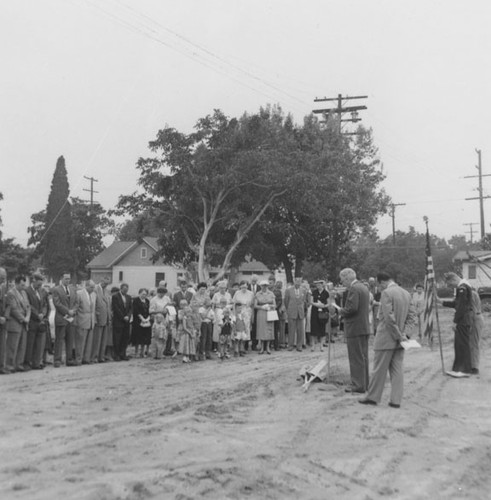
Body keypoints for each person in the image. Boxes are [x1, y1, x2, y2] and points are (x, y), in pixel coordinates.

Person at [359, 272, 416, 408]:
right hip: (400, 340)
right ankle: (396, 400)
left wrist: (398, 335)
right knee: (397, 370)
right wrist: (405, 335)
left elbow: (389, 318)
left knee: (379, 370)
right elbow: (412, 316)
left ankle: (373, 397)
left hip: (386, 339)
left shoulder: (386, 293)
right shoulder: (406, 293)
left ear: (382, 282)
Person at [339, 268, 371, 393]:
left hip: (355, 327)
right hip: (363, 327)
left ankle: (357, 385)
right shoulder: (363, 287)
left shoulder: (354, 289)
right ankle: (364, 383)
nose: (343, 284)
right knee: (363, 357)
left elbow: (352, 308)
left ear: (347, 278)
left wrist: (341, 310)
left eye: (342, 281)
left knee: (355, 358)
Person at [440, 272, 473, 374]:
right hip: (464, 319)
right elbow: (456, 304)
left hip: (463, 320)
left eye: (450, 284)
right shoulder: (464, 286)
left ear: (453, 280)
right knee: (460, 344)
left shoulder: (462, 288)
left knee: (462, 344)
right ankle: (460, 368)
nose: (451, 286)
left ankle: (464, 369)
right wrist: (441, 302)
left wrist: (455, 321)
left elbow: (461, 307)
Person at [5, 275, 31, 372]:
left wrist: (28, 317)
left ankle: (19, 364)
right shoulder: (11, 293)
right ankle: (9, 365)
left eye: (24, 285)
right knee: (12, 345)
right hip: (15, 322)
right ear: (16, 284)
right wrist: (23, 319)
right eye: (21, 285)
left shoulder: (24, 293)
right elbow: (13, 309)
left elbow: (28, 306)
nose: (23, 287)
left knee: (22, 345)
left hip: (24, 323)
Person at [52, 273, 77, 367]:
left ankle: (69, 359)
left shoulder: (72, 289)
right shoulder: (56, 289)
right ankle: (57, 360)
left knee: (70, 339)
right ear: (61, 279)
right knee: (59, 339)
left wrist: (73, 311)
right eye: (66, 279)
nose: (68, 280)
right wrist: (67, 311)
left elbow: (76, 302)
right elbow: (57, 303)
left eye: (69, 279)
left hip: (70, 319)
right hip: (61, 317)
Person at [24, 273, 48, 370]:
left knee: (39, 343)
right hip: (32, 320)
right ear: (34, 281)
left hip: (40, 321)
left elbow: (44, 304)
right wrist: (37, 314)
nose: (40, 286)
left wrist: (43, 313)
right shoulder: (27, 291)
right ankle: (27, 363)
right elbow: (28, 305)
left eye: (41, 284)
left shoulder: (41, 291)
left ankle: (36, 363)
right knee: (30, 343)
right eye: (38, 284)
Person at [284, 276, 309, 352]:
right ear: (294, 282)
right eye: (296, 281)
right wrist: (289, 309)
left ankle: (299, 345)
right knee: (291, 330)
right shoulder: (288, 290)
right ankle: (290, 345)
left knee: (300, 330)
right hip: (292, 312)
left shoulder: (303, 290)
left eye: (299, 282)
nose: (298, 283)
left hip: (300, 313)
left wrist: (304, 311)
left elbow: (304, 301)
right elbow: (286, 301)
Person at [74, 280, 96, 365]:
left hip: (91, 320)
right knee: (80, 342)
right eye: (91, 287)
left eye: (94, 287)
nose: (93, 289)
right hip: (82, 319)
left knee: (89, 341)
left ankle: (86, 359)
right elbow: (76, 307)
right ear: (86, 286)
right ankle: (78, 359)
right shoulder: (79, 293)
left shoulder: (94, 295)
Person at [254, 279, 276, 355]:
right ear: (260, 286)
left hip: (269, 312)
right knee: (261, 330)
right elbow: (255, 305)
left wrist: (269, 306)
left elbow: (274, 304)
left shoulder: (271, 293)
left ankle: (268, 347)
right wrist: (262, 307)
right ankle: (262, 347)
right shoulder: (258, 294)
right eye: (263, 286)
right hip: (261, 312)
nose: (264, 287)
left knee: (269, 329)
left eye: (266, 285)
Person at [92, 277, 111, 363]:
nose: (105, 285)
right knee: (97, 339)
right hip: (99, 317)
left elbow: (108, 304)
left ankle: (101, 356)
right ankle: (94, 357)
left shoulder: (107, 291)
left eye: (107, 284)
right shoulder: (95, 289)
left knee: (103, 339)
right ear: (101, 281)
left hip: (106, 317)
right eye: (104, 283)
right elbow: (93, 303)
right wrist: (96, 315)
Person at [112, 283, 132, 361]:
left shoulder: (129, 297)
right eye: (124, 290)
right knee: (117, 338)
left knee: (125, 338)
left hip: (126, 321)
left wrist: (128, 316)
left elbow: (130, 308)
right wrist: (123, 317)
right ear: (121, 289)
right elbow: (116, 308)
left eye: (127, 290)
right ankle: (116, 355)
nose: (125, 291)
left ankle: (123, 354)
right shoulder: (115, 297)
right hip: (118, 321)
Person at [232, 281, 254, 350]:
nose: (244, 288)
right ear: (240, 287)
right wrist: (234, 313)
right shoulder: (237, 293)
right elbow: (234, 303)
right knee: (238, 328)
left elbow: (252, 305)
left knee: (246, 329)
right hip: (239, 311)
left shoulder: (251, 293)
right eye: (242, 287)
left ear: (247, 286)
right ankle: (237, 347)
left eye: (245, 287)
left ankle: (244, 347)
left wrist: (252, 315)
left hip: (247, 312)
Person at [131, 288, 152, 358]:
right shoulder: (136, 301)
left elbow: (149, 310)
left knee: (144, 337)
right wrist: (142, 318)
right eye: (143, 294)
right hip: (138, 321)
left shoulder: (147, 301)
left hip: (146, 320)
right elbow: (135, 310)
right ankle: (136, 352)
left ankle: (142, 352)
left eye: (145, 294)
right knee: (137, 337)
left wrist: (147, 318)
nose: (144, 295)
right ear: (139, 293)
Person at [310, 280, 328, 352]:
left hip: (323, 311)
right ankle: (313, 345)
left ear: (322, 285)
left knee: (322, 328)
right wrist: (317, 304)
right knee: (314, 327)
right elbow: (311, 301)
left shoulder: (326, 293)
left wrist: (323, 306)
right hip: (315, 311)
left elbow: (329, 303)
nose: (318, 286)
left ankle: (321, 345)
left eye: (319, 285)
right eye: (317, 285)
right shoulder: (314, 292)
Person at [469, 288, 483, 374]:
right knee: (471, 343)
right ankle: (471, 364)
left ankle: (475, 367)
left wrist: (470, 322)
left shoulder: (471, 294)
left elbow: (472, 309)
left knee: (474, 343)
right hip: (475, 318)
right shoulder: (471, 293)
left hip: (475, 318)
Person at [0, 267, 9, 374]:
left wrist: (5, 317)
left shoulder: (4, 289)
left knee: (2, 345)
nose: (3, 280)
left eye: (4, 277)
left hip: (3, 321)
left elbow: (8, 305)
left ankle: (1, 366)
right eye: (1, 277)